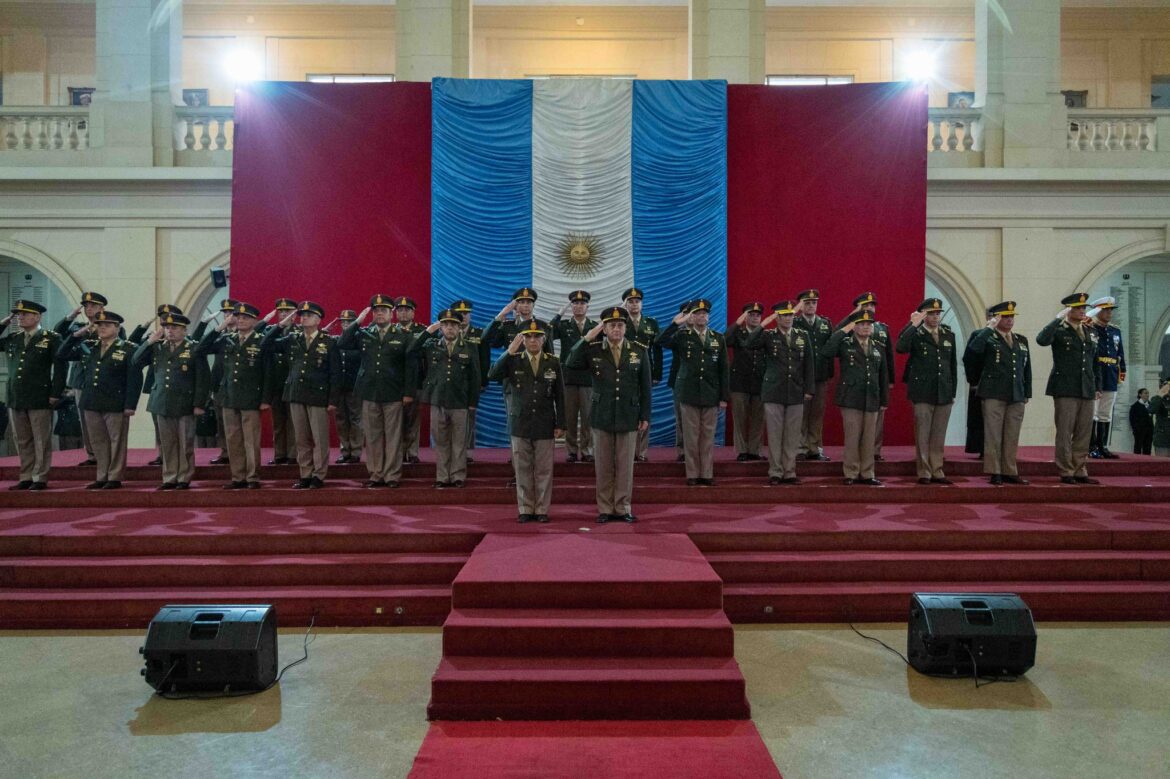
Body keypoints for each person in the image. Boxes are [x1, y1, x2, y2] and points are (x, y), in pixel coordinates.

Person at [566, 306, 651, 523]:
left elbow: (645, 387)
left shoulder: (638, 350)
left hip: (628, 414)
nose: (616, 329)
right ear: (604, 328)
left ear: (625, 328)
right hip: (602, 414)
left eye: (620, 325)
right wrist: (587, 337)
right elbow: (571, 362)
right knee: (603, 464)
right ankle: (604, 508)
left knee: (625, 465)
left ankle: (622, 507)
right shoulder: (594, 349)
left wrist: (645, 415)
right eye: (611, 325)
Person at [488, 320, 565, 523]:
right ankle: (525, 508)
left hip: (545, 421)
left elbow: (560, 395)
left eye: (536, 336)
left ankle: (541, 509)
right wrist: (509, 352)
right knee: (522, 468)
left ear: (543, 339)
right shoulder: (513, 360)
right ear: (522, 339)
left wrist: (561, 424)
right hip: (520, 422)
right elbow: (492, 374)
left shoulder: (552, 362)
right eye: (528, 337)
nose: (532, 340)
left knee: (543, 469)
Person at [57, 310, 143, 489]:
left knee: (116, 441)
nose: (102, 328)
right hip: (91, 401)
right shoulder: (89, 346)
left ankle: (115, 476)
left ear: (117, 328)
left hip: (115, 402)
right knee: (98, 442)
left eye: (107, 325)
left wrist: (130, 405)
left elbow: (134, 379)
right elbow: (61, 354)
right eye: (99, 325)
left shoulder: (128, 348)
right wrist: (75, 336)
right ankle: (101, 475)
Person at [338, 294, 416, 489]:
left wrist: (408, 393)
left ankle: (391, 475)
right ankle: (375, 474)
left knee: (392, 436)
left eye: (384, 311)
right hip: (369, 392)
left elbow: (410, 367)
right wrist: (357, 322)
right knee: (372, 437)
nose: (379, 314)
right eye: (376, 311)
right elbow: (342, 343)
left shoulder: (403, 335)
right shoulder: (365, 333)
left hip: (393, 392)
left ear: (392, 314)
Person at [263, 301, 341, 489]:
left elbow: (336, 374)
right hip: (296, 394)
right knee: (301, 438)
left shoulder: (328, 342)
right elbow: (265, 344)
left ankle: (319, 475)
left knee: (320, 438)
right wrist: (279, 326)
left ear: (318, 319)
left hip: (318, 396)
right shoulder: (292, 338)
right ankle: (305, 473)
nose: (303, 317)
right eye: (302, 315)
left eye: (308, 315)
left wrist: (333, 399)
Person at [132, 312, 210, 490]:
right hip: (161, 401)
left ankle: (184, 477)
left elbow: (203, 378)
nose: (170, 331)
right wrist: (149, 342)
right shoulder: (158, 347)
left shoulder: (194, 348)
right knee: (167, 444)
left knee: (185, 443)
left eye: (174, 327)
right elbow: (135, 361)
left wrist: (199, 404)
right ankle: (169, 477)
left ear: (184, 330)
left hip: (185, 402)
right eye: (167, 327)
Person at [196, 302, 269, 489]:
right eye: (239, 317)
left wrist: (265, 399)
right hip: (228, 396)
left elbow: (268, 373)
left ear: (255, 320)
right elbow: (200, 349)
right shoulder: (227, 339)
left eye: (246, 317)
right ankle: (238, 477)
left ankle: (252, 477)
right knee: (233, 439)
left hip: (251, 398)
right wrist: (218, 328)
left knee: (251, 440)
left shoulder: (261, 340)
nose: (241, 320)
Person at [659, 299, 729, 486]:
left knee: (707, 436)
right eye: (697, 314)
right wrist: (676, 323)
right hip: (688, 393)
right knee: (690, 436)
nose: (701, 317)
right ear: (692, 316)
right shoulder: (683, 336)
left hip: (710, 393)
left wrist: (723, 397)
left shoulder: (717, 338)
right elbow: (660, 341)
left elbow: (723, 370)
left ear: (709, 317)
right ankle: (692, 474)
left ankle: (706, 473)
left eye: (704, 314)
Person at [744, 300, 814, 485]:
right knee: (775, 435)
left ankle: (789, 471)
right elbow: (749, 344)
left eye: (791, 315)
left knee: (792, 435)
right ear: (778, 318)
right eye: (784, 315)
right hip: (773, 391)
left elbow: (809, 364)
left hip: (795, 390)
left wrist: (809, 389)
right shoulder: (768, 336)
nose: (789, 318)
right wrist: (764, 323)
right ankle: (775, 471)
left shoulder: (802, 336)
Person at [1036, 292, 1102, 485]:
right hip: (1065, 387)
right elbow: (1041, 340)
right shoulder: (1059, 330)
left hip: (1086, 387)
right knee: (1065, 430)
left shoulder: (1090, 331)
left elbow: (1094, 362)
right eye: (1078, 308)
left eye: (1084, 308)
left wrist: (1097, 386)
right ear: (1068, 310)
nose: (1082, 311)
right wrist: (1056, 319)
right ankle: (1066, 469)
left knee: (1084, 431)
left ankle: (1080, 468)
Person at [410, 308, 481, 488]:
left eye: (453, 325)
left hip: (460, 401)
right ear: (440, 327)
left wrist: (472, 403)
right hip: (437, 399)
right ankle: (442, 476)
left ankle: (458, 476)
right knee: (441, 441)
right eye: (446, 325)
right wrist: (428, 332)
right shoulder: (431, 345)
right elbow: (411, 350)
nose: (449, 328)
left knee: (459, 441)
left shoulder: (470, 347)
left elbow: (475, 378)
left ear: (459, 328)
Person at [53, 291, 124, 465]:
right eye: (86, 306)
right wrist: (69, 318)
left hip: (103, 381)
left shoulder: (112, 327)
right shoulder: (78, 328)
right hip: (81, 378)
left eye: (93, 305)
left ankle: (108, 456)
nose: (88, 309)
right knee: (85, 419)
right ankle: (92, 454)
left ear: (102, 308)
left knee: (106, 420)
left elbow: (120, 352)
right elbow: (57, 334)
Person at [1, 300, 65, 491]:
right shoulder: (13, 338)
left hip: (40, 396)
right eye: (18, 314)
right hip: (16, 396)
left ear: (37, 316)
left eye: (24, 314)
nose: (19, 317)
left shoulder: (51, 338)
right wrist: (3, 324)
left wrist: (55, 393)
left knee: (40, 439)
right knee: (22, 439)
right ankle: (26, 475)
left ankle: (40, 477)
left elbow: (61, 368)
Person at [965, 301, 1031, 485]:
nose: (1009, 320)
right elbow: (973, 351)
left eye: (1011, 317)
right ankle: (995, 471)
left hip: (1016, 393)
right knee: (994, 434)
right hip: (993, 392)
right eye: (1005, 316)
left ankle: (1010, 470)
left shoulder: (1021, 340)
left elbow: (1027, 368)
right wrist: (989, 328)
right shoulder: (985, 337)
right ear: (995, 318)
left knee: (1012, 434)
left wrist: (1027, 392)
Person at [895, 297, 958, 485]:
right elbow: (900, 347)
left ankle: (937, 469)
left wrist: (952, 390)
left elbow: (952, 365)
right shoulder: (915, 333)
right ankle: (924, 471)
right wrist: (913, 324)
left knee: (939, 434)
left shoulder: (948, 334)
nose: (936, 317)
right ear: (924, 315)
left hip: (943, 390)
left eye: (938, 313)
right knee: (923, 433)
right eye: (931, 313)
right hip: (922, 391)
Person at [823, 309, 888, 485]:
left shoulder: (878, 347)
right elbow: (827, 350)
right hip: (851, 397)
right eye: (861, 324)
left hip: (872, 398)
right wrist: (845, 329)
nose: (866, 327)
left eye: (869, 324)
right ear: (855, 327)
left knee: (869, 438)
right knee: (852, 438)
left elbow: (883, 375)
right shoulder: (845, 344)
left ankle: (867, 473)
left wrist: (884, 400)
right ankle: (851, 473)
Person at [836, 292, 896, 461]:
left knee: (875, 423)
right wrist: (852, 317)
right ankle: (856, 463)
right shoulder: (852, 325)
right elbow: (836, 334)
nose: (870, 308)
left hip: (876, 382)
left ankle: (875, 451)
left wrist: (889, 380)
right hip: (855, 384)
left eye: (872, 305)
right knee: (856, 429)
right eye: (865, 306)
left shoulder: (882, 328)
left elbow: (888, 357)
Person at [550, 290, 597, 463]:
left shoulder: (594, 326)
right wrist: (558, 315)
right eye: (575, 304)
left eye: (582, 303)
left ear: (587, 306)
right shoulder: (563, 325)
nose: (579, 306)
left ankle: (587, 450)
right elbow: (548, 333)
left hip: (587, 377)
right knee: (569, 416)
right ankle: (571, 450)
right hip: (568, 377)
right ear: (571, 306)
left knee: (587, 417)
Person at [792, 289, 834, 461]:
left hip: (820, 375)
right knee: (801, 413)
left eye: (813, 303)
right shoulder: (794, 323)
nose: (811, 306)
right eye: (807, 303)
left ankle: (815, 448)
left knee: (817, 413)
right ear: (801, 305)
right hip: (800, 376)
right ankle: (800, 448)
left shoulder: (825, 323)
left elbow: (831, 347)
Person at [622, 287, 662, 462]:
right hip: (625, 372)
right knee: (628, 408)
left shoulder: (651, 323)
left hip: (645, 372)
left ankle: (642, 451)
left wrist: (657, 374)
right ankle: (629, 450)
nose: (634, 304)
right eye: (630, 302)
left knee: (644, 409)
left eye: (637, 301)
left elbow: (657, 350)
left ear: (641, 303)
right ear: (626, 304)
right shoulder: (620, 322)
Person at [451, 299, 490, 458]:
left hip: (471, 382)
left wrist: (483, 382)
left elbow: (485, 359)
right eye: (460, 314)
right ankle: (452, 450)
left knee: (469, 417)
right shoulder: (446, 332)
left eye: (466, 313)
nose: (463, 316)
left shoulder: (479, 334)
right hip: (451, 383)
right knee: (450, 418)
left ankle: (466, 451)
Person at [728, 302, 767, 461]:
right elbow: (725, 340)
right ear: (744, 317)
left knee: (758, 418)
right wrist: (737, 323)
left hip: (759, 382)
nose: (755, 318)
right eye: (751, 315)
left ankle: (755, 450)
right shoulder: (738, 333)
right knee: (740, 418)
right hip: (740, 382)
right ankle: (742, 450)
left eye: (758, 315)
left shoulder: (765, 334)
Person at [1087, 297, 1125, 459]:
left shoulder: (1115, 331)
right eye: (1106, 310)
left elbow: (1120, 354)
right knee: (1093, 412)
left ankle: (1103, 445)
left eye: (1110, 310)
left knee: (1105, 413)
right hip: (1097, 372)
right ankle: (1091, 445)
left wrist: (1121, 372)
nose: (1109, 313)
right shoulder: (1090, 328)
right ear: (1098, 311)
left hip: (1111, 374)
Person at [393, 297, 427, 464]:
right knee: (396, 420)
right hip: (394, 383)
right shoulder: (391, 331)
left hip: (416, 381)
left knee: (413, 419)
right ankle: (397, 452)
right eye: (400, 310)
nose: (403, 313)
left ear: (413, 313)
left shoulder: (422, 331)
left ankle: (412, 452)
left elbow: (427, 359)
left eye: (407, 310)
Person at [265, 297, 299, 465]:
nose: (284, 314)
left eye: (288, 312)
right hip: (276, 384)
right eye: (281, 312)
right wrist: (276, 328)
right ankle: (280, 454)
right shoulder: (272, 331)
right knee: (278, 421)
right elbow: (264, 345)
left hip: (292, 384)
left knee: (293, 422)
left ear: (294, 315)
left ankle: (293, 454)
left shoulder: (299, 332)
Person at [962, 307, 996, 458]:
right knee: (980, 420)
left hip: (1001, 385)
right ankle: (982, 449)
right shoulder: (978, 335)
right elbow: (969, 359)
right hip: (981, 383)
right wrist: (973, 381)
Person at [334, 309, 364, 465]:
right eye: (343, 322)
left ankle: (356, 451)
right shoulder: (337, 340)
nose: (345, 324)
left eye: (349, 321)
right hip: (340, 386)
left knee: (356, 419)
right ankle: (345, 450)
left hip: (355, 386)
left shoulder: (360, 339)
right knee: (341, 419)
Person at [666, 300, 692, 462]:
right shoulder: (677, 335)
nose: (689, 316)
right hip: (678, 380)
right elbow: (660, 340)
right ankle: (682, 449)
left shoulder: (706, 333)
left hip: (698, 382)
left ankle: (694, 449)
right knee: (681, 417)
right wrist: (675, 323)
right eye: (686, 313)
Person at [1130, 388, 1153, 455]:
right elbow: (1132, 420)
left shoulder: (1151, 404)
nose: (1147, 395)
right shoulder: (1135, 406)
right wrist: (1136, 429)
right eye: (1145, 393)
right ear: (1140, 394)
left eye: (1148, 393)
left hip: (1149, 431)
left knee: (1148, 448)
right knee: (1138, 448)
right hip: (1139, 431)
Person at [1151, 380, 1170, 457]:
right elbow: (1152, 410)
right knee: (1163, 465)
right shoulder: (1157, 399)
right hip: (1163, 439)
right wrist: (1160, 395)